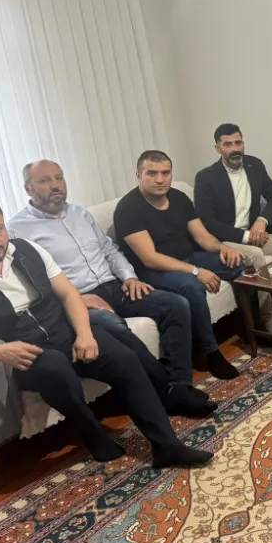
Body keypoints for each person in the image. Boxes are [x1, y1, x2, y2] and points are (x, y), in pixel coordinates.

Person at [0, 197, 212, 468]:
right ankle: (92, 433)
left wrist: (84, 333)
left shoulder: (27, 250)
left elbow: (68, 294)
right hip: (25, 351)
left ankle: (167, 446)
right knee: (56, 368)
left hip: (64, 332)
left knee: (125, 359)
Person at [8, 160, 217, 416]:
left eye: (59, 178)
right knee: (114, 326)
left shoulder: (80, 214)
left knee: (176, 304)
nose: (55, 185)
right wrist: (77, 299)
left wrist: (129, 277)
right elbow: (32, 283)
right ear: (28, 188)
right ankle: (166, 389)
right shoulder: (18, 230)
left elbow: (109, 249)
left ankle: (180, 385)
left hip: (115, 286)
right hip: (80, 300)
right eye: (45, 181)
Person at [113, 150, 246, 380]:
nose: (160, 179)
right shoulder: (128, 209)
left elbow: (202, 236)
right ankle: (210, 353)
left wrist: (223, 249)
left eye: (165, 173)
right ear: (138, 176)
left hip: (189, 257)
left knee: (238, 263)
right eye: (152, 173)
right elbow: (150, 258)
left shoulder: (178, 197)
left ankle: (250, 327)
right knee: (191, 287)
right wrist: (196, 272)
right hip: (153, 272)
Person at [193, 123, 272, 333]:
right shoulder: (205, 177)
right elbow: (208, 223)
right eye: (228, 144)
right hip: (225, 239)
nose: (235, 149)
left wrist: (262, 221)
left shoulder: (254, 165)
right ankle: (265, 319)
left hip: (253, 232)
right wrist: (247, 236)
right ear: (218, 148)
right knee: (256, 256)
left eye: (238, 143)